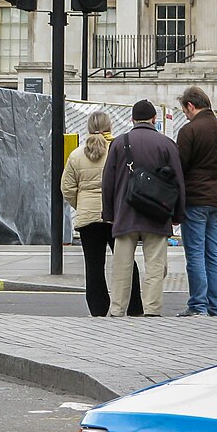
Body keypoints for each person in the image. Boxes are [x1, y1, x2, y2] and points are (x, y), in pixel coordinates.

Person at [101, 99, 185, 318]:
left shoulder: (119, 143)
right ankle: (152, 309)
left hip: (125, 213)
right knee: (155, 266)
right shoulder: (167, 144)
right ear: (154, 119)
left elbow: (108, 181)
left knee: (122, 266)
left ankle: (117, 309)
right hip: (157, 214)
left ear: (132, 119)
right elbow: (178, 182)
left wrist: (109, 214)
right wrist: (177, 214)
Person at [61, 111, 142, 317]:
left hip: (88, 218)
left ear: (89, 127)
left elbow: (67, 188)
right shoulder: (119, 151)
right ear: (110, 127)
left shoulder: (76, 155)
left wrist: (81, 205)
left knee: (94, 266)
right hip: (116, 215)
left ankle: (98, 310)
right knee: (126, 262)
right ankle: (134, 307)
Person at [175, 86, 217, 317]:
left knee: (195, 252)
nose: (186, 116)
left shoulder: (189, 131)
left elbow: (180, 167)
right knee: (214, 252)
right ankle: (216, 305)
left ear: (191, 106)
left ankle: (198, 304)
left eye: (185, 111)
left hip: (195, 198)